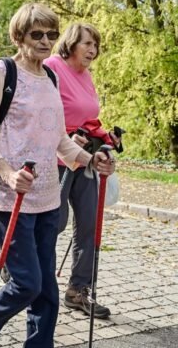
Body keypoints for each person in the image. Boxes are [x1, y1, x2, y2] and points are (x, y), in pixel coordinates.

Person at [0, 2, 115, 348]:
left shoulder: (52, 76)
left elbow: (59, 138)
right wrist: (6, 171)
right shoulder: (1, 72)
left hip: (48, 195)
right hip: (10, 195)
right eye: (37, 34)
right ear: (19, 36)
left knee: (47, 291)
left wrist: (91, 161)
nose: (46, 41)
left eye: (51, 34)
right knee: (27, 283)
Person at [44, 22, 120, 319]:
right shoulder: (51, 67)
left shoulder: (86, 76)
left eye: (95, 45)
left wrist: (105, 137)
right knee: (55, 222)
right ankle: (30, 278)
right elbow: (40, 113)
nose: (93, 50)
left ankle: (78, 291)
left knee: (89, 224)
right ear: (71, 43)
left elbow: (90, 118)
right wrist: (65, 133)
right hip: (57, 160)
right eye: (87, 43)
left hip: (86, 159)